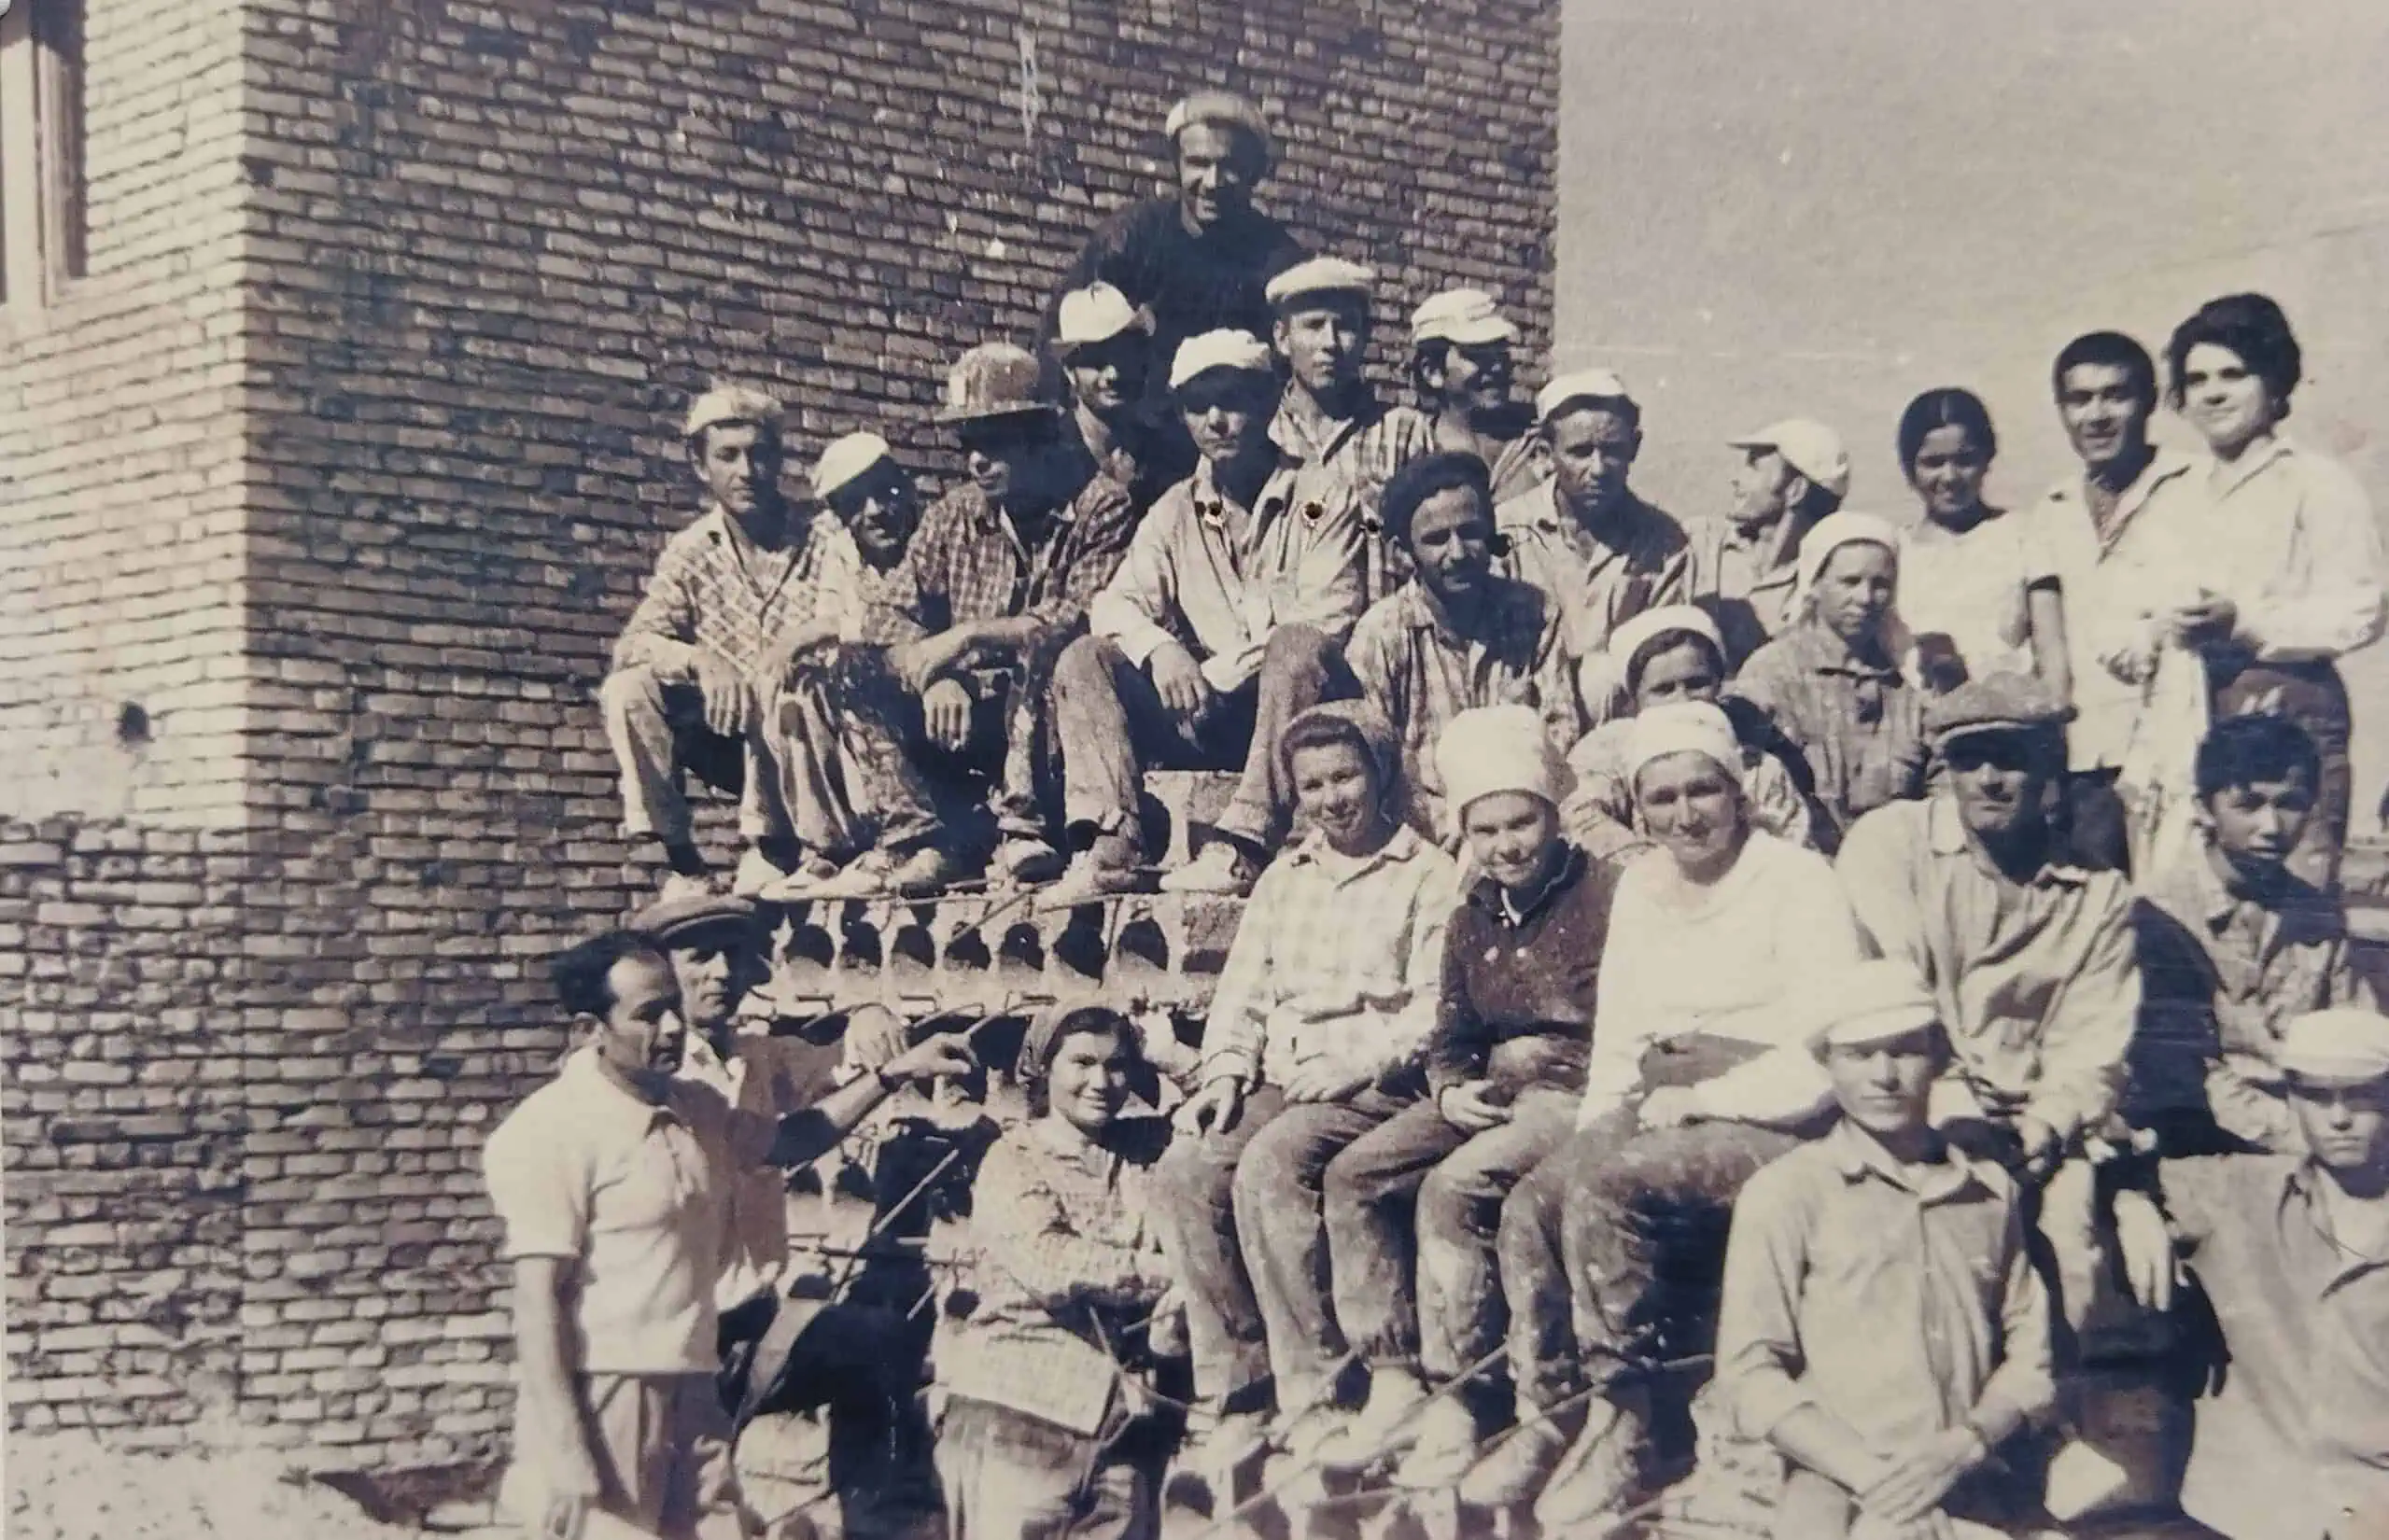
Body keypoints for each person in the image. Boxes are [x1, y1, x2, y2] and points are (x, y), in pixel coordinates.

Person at [1487, 702, 1865, 1527]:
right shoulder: (1644, 886)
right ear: (1637, 808)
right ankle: (1550, 1410)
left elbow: (1824, 1056)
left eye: (1703, 791)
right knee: (1534, 1200)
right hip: (1666, 1102)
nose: (1685, 815)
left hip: (1777, 1115)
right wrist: (1596, 1128)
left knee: (1608, 1191)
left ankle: (1629, 1418)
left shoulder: (1796, 880)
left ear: (1736, 791)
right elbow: (1622, 1035)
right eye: (1661, 799)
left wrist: (1704, 1099)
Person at [483, 931, 975, 1540]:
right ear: (590, 1029)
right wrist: (563, 1442)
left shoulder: (696, 1107)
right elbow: (537, 1302)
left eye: (673, 1008)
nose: (672, 1028)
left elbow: (790, 1141)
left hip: (694, 1378)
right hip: (609, 1387)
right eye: (648, 1015)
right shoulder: (549, 1131)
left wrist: (892, 1074)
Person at [1145, 703, 1459, 1499]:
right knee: (1187, 1168)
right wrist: (1223, 1074)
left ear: (1378, 775)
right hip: (1284, 1080)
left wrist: (1359, 1064)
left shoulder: (1428, 873)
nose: (1331, 798)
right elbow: (1242, 997)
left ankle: (1317, 1389)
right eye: (1312, 785)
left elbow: (1437, 1005)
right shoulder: (1284, 879)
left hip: (1379, 1084)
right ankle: (1239, 1388)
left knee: (1273, 1163)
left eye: (1345, 777)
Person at [1316, 705, 1617, 1487]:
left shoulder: (1605, 895)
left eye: (1521, 823)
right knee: (1356, 1174)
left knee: (1454, 1188)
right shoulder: (1471, 913)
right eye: (1485, 831)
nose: (1505, 845)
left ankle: (1463, 1396)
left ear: (1552, 815)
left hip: (1576, 1088)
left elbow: (1625, 1021)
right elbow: (1451, 1034)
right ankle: (1393, 1378)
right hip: (1490, 1090)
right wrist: (1450, 1091)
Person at [1834, 674, 2139, 1340]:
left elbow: (2093, 1042)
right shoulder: (1891, 845)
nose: (1989, 780)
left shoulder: (2097, 894)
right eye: (1970, 761)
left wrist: (2046, 1125)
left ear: (2050, 771)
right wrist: (1951, 1105)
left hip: (2038, 1129)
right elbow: (1890, 995)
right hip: (1908, 1105)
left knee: (2070, 1266)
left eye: (2011, 760)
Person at [1717, 962, 2057, 1540]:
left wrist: (1969, 1442)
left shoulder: (1989, 1191)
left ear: (1940, 1056)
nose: (1884, 1076)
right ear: (1826, 1063)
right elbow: (1750, 1375)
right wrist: (1882, 1485)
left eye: (1904, 1051)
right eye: (1858, 1054)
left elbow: (2033, 1361)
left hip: (1971, 1474)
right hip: (1840, 1486)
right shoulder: (1787, 1193)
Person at [794, 343, 1144, 898]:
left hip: (1052, 726)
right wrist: (938, 674)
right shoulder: (954, 512)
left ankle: (1023, 831)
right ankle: (919, 839)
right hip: (966, 715)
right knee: (851, 664)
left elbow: (1077, 617)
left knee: (1044, 646)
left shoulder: (1101, 505)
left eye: (995, 441)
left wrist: (966, 638)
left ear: (1040, 435)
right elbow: (887, 611)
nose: (978, 460)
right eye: (968, 444)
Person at [1058, 329, 1366, 902]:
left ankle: (1244, 847)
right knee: (1086, 658)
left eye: (1232, 400)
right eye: (1199, 406)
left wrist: (1211, 673)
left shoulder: (1324, 496)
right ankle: (1113, 845)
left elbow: (1329, 619)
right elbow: (1115, 602)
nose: (1216, 421)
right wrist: (1162, 650)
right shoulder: (1174, 510)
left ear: (1269, 401)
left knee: (1297, 644)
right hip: (1209, 717)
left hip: (1297, 714)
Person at [2108, 1008, 2389, 1540]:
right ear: (2291, 1099)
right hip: (2245, 1515)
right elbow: (2123, 1159)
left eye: (2361, 1096)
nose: (2339, 1118)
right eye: (2317, 1096)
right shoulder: (2237, 1192)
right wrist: (2132, 1202)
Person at [603, 385, 864, 898]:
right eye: (728, 456)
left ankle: (775, 848)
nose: (747, 471)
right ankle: (684, 862)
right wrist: (699, 660)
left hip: (813, 737)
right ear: (700, 466)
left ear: (778, 460)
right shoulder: (692, 550)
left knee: (779, 680)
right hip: (730, 739)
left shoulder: (824, 535)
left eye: (759, 454)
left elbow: (855, 617)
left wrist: (799, 644)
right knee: (628, 689)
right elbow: (633, 644)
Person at [2162, 292, 2386, 890]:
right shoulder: (2179, 492)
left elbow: (2362, 609)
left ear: (2274, 381)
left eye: (2233, 374)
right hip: (2192, 712)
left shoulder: (2315, 481)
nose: (2213, 393)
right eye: (2196, 380)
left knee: (2296, 897)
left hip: (2291, 708)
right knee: (2204, 898)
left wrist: (2245, 623)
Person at [934, 1002, 1177, 1540]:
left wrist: (1172, 1056)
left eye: (1117, 1065)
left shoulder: (1141, 1154)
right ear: (1044, 1069)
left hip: (1118, 1429)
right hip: (1018, 1415)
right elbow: (1053, 1263)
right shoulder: (1013, 1158)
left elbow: (1220, 1121)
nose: (1102, 1083)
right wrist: (1171, 1275)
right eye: (1082, 1063)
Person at [2134, 714, 2379, 1155]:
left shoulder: (2316, 914)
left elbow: (2354, 1036)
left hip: (2321, 1123)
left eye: (2290, 803)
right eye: (2248, 805)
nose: (2272, 826)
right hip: (2206, 1133)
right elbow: (2187, 1071)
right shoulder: (2159, 915)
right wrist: (2302, 1138)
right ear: (2204, 809)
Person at [2026, 330, 2204, 875]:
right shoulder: (2052, 508)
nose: (2097, 415)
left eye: (2115, 395)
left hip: (2180, 752)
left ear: (2149, 401)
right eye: (2080, 400)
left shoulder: (2196, 484)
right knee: (2099, 912)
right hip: (2087, 765)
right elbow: (2051, 651)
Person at [1344, 452, 1576, 842]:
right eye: (1436, 539)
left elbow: (1561, 728)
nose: (1457, 553)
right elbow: (1376, 762)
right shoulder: (1380, 634)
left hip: (1525, 814)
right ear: (1403, 552)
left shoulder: (1532, 611)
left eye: (1470, 532)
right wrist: (1449, 824)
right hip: (1427, 827)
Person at [1041, 90, 1305, 411]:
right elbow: (1062, 334)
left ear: (1254, 173)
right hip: (1137, 426)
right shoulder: (1130, 239)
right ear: (1177, 165)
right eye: (1198, 163)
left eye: (1229, 166)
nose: (1212, 182)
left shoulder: (1280, 263)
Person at [1731, 512, 1929, 849]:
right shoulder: (1770, 674)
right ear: (1815, 584)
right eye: (1849, 582)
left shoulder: (1912, 678)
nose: (1866, 598)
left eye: (1881, 584)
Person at [1494, 369, 1691, 707]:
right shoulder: (1507, 530)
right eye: (1581, 452)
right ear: (1546, 452)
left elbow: (1665, 655)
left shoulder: (1663, 541)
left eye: (1613, 451)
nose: (1598, 469)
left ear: (1635, 447)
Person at [1558, 605, 1816, 862]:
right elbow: (1577, 814)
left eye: (1697, 684)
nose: (1682, 699)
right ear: (1634, 698)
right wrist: (1656, 867)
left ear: (1718, 683)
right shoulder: (1611, 748)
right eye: (1664, 689)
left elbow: (1794, 848)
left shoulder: (1757, 765)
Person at [1262, 256, 1436, 602]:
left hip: (1380, 630)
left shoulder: (1403, 433)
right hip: (1284, 632)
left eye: (1344, 327)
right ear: (1282, 338)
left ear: (1365, 336)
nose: (1330, 342)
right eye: (1314, 325)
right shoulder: (1262, 437)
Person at [1892, 387, 2068, 695]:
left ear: (1987, 459)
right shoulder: (1894, 551)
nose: (1950, 476)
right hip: (1920, 719)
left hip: (2011, 717)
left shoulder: (2024, 535)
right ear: (1909, 469)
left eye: (1965, 460)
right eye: (1933, 462)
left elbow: (2053, 659)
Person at [1684, 416, 1849, 669]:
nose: (1735, 479)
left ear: (1795, 490)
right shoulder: (1701, 541)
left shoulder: (1826, 579)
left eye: (1753, 466)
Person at [1053, 281, 1196, 515]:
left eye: (1124, 357)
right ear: (1070, 371)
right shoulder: (1049, 454)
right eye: (1096, 361)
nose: (1113, 374)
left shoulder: (1169, 455)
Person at [1408, 287, 1544, 504]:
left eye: (1501, 354)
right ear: (1432, 371)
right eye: (1477, 355)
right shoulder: (1411, 450)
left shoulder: (1540, 445)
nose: (1498, 367)